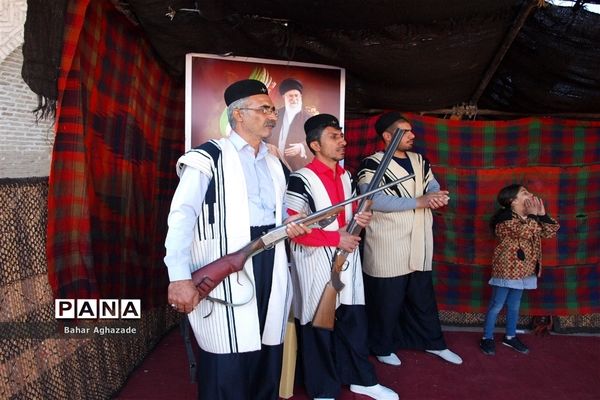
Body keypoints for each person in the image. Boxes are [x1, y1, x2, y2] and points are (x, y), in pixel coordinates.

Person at [164, 79, 310, 400]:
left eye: (273, 109)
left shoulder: (274, 162)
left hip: (270, 260)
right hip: (225, 264)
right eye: (265, 109)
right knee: (226, 357)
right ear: (239, 115)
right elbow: (182, 217)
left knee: (265, 349)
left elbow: (281, 214)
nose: (273, 115)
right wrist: (178, 278)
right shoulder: (207, 157)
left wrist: (291, 225)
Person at [286, 114, 398, 400]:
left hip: (347, 261)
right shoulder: (301, 179)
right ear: (315, 145)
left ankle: (362, 379)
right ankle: (323, 389)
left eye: (342, 135)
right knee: (317, 328)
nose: (343, 141)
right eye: (334, 137)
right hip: (313, 264)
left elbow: (348, 220)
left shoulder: (347, 176)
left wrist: (361, 217)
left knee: (354, 322)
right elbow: (294, 231)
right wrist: (337, 237)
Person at [357, 112, 463, 367]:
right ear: (387, 136)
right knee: (386, 301)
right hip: (387, 243)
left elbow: (432, 186)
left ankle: (433, 342)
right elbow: (373, 200)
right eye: (405, 131)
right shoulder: (371, 163)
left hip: (419, 240)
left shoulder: (419, 160)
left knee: (422, 298)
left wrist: (437, 196)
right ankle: (382, 346)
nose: (413, 135)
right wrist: (420, 202)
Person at [480, 184, 559, 355]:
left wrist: (542, 215)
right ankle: (487, 338)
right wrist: (533, 216)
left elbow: (551, 231)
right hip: (507, 270)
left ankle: (510, 336)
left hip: (525, 271)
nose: (530, 194)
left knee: (515, 305)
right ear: (512, 200)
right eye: (524, 193)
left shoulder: (531, 218)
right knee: (496, 305)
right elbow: (523, 232)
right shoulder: (505, 220)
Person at [268, 78, 315, 171]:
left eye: (296, 96)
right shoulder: (275, 114)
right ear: (283, 97)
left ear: (300, 96)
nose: (294, 99)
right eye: (290, 96)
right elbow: (266, 135)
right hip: (274, 164)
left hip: (297, 168)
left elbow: (316, 140)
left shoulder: (309, 118)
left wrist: (301, 147)